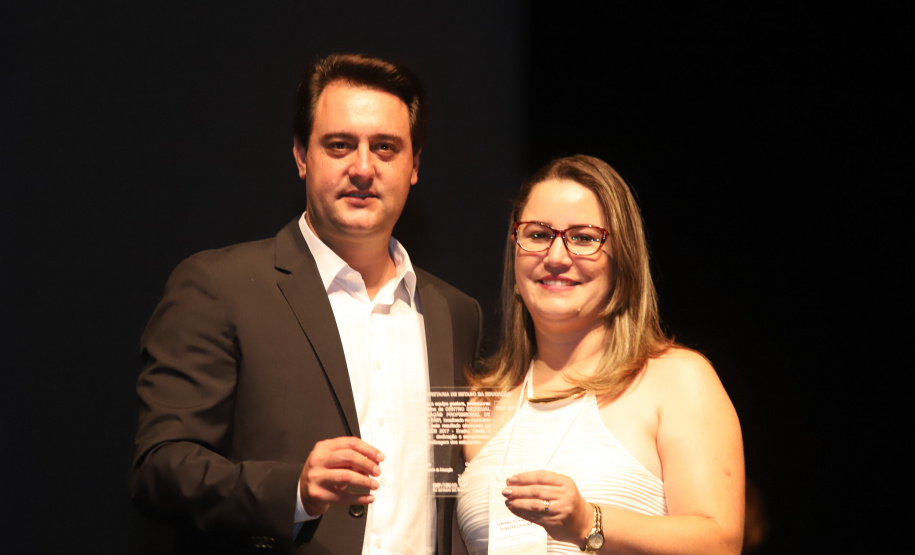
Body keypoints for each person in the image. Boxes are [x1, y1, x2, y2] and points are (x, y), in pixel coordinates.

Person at [130, 53, 483, 554]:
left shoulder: (456, 313)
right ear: (301, 156)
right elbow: (161, 469)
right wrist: (294, 491)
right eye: (340, 145)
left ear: (415, 166)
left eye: (385, 148)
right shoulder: (219, 286)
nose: (363, 168)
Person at [455, 155, 744, 554]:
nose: (556, 257)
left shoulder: (675, 380)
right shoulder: (478, 404)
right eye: (538, 234)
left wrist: (588, 521)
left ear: (622, 259)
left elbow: (720, 543)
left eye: (583, 238)